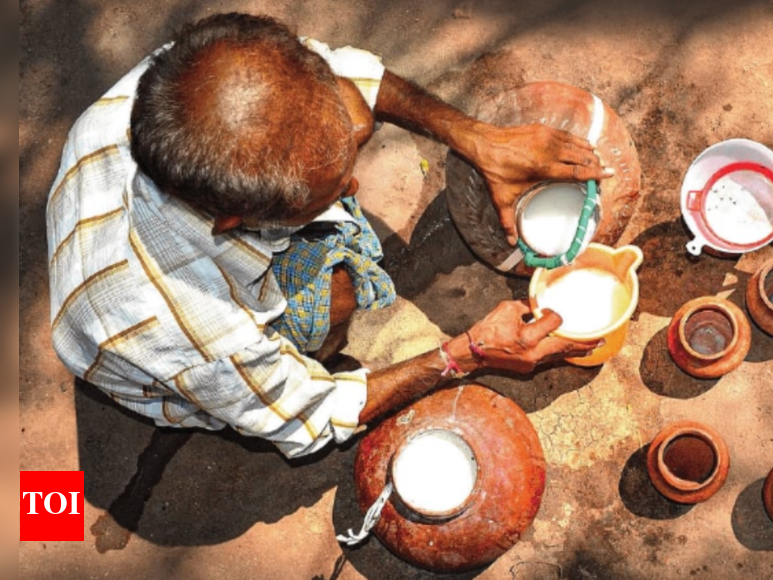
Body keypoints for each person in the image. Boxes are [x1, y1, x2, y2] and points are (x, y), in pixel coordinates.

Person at [46, 13, 612, 458]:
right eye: (334, 188)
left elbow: (342, 75)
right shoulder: (198, 332)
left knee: (348, 119)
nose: (357, 184)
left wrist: (477, 138)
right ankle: (317, 345)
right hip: (165, 356)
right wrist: (467, 354)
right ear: (236, 221)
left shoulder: (196, 74)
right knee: (336, 297)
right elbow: (311, 415)